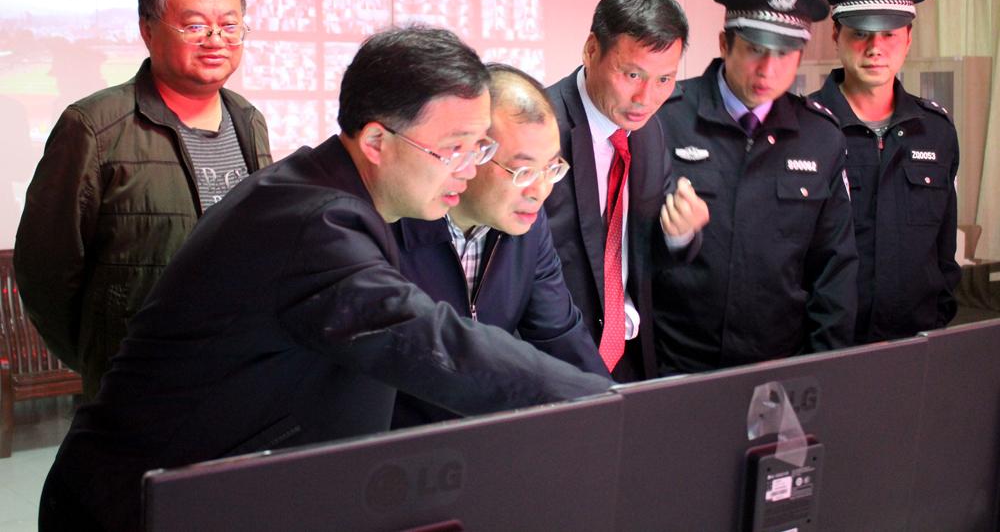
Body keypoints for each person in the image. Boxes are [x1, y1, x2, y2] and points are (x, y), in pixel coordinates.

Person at [38, 27, 611, 532]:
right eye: (454, 150)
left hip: (222, 493)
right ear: (377, 141)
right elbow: (426, 339)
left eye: (479, 147)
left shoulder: (339, 196)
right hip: (140, 505)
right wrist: (603, 405)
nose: (469, 167)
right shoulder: (315, 223)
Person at [14, 0, 271, 399]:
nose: (216, 40)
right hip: (138, 383)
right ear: (148, 30)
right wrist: (100, 356)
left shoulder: (248, 120)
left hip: (239, 375)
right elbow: (45, 271)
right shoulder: (94, 126)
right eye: (194, 26)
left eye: (230, 25)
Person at [653, 0, 858, 374]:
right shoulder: (665, 118)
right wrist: (675, 236)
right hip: (676, 360)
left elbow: (834, 267)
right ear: (724, 44)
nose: (768, 69)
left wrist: (825, 366)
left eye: (784, 54)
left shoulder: (821, 137)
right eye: (754, 50)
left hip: (780, 361)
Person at [392, 64, 608, 428]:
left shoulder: (528, 225)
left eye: (551, 168)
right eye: (523, 172)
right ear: (470, 153)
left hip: (483, 435)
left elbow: (560, 335)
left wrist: (618, 408)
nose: (540, 191)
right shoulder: (396, 220)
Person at [545, 0, 710, 383]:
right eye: (632, 74)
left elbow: (643, 248)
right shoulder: (542, 128)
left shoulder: (649, 132)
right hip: (556, 362)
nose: (645, 98)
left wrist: (680, 233)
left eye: (664, 79)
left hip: (630, 355)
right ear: (591, 50)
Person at [810, 0, 960, 342]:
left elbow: (943, 250)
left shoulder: (936, 130)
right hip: (825, 344)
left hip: (915, 341)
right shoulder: (802, 129)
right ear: (836, 36)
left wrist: (937, 318)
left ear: (908, 39)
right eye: (860, 33)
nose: (875, 48)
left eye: (889, 34)